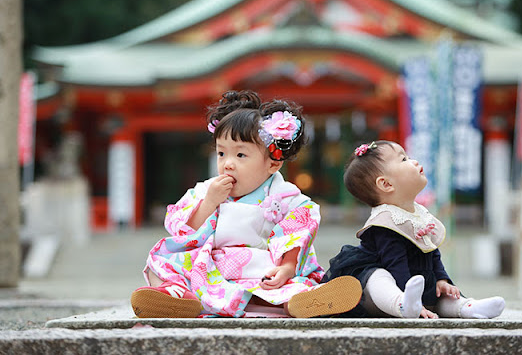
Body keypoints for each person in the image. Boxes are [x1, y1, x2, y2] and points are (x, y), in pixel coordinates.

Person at [130, 90, 361, 318]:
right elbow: (181, 229)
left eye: (240, 155)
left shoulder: (284, 195)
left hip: (261, 266)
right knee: (159, 261)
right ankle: (177, 297)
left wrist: (286, 268)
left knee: (282, 286)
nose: (227, 164)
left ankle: (298, 303)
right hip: (213, 266)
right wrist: (209, 202)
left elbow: (296, 236)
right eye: (221, 154)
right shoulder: (206, 190)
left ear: (273, 164)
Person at [323, 140, 505, 319]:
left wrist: (442, 279)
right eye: (403, 160)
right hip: (391, 288)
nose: (414, 161)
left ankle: (467, 307)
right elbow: (395, 263)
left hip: (419, 282)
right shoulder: (386, 221)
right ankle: (402, 304)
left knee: (444, 296)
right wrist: (408, 295)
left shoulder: (419, 214)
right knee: (378, 278)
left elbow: (431, 251)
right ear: (386, 184)